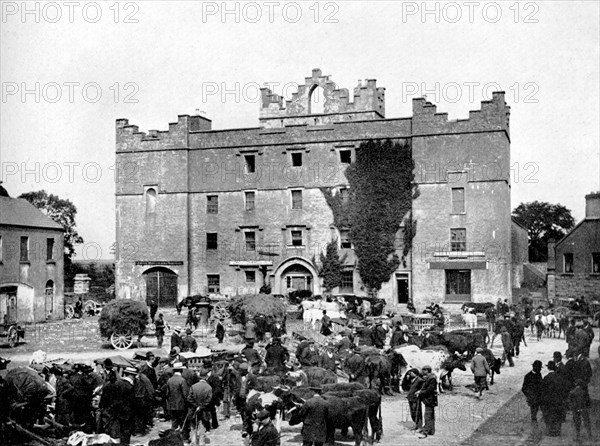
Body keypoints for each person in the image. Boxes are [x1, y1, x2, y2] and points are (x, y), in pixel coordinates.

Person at [185, 369, 213, 440]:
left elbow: (189, 398)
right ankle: (201, 442)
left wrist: (196, 406)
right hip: (204, 411)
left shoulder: (193, 386)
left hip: (193, 410)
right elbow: (208, 400)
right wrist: (200, 406)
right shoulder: (209, 387)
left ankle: (193, 441)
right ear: (206, 377)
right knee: (202, 426)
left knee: (193, 426)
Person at [541, 361, 564, 437]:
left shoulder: (546, 378)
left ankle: (549, 431)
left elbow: (543, 391)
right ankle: (558, 431)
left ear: (548, 368)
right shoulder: (559, 377)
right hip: (558, 399)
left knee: (549, 415)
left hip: (549, 400)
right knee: (557, 415)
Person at [163, 362, 189, 430]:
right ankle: (184, 438)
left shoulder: (169, 380)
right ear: (181, 370)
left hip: (171, 406)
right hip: (181, 405)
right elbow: (185, 394)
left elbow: (167, 394)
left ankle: (173, 437)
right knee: (182, 423)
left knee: (174, 422)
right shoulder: (182, 380)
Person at [131, 367, 154, 436]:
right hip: (143, 399)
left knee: (139, 416)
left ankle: (140, 431)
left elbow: (148, 389)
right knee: (141, 416)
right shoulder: (143, 377)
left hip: (141, 399)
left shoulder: (141, 379)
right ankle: (141, 429)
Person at [416, 365, 437, 438]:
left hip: (430, 400)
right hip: (428, 399)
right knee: (429, 415)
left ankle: (426, 431)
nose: (422, 371)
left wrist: (420, 392)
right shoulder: (429, 377)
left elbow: (429, 390)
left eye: (423, 370)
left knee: (428, 416)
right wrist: (420, 391)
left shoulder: (432, 378)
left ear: (427, 370)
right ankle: (431, 430)